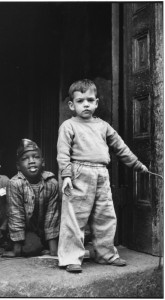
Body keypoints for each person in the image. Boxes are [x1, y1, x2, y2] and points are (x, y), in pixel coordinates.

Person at [57, 79, 148, 273]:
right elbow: (63, 153)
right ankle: (71, 257)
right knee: (74, 217)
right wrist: (65, 175)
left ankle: (105, 254)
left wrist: (137, 165)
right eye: (80, 101)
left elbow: (120, 147)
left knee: (105, 215)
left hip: (101, 174)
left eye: (90, 100)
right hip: (78, 174)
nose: (86, 104)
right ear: (72, 105)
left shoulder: (103, 126)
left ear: (97, 103)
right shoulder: (68, 126)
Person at [3, 139, 60, 257]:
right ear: (18, 166)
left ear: (43, 162)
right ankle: (13, 244)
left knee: (70, 240)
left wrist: (54, 250)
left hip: (44, 229)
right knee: (32, 247)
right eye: (25, 159)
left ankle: (46, 244)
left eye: (36, 157)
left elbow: (52, 216)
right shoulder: (15, 184)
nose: (31, 161)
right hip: (25, 230)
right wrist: (16, 251)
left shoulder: (52, 183)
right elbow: (15, 216)